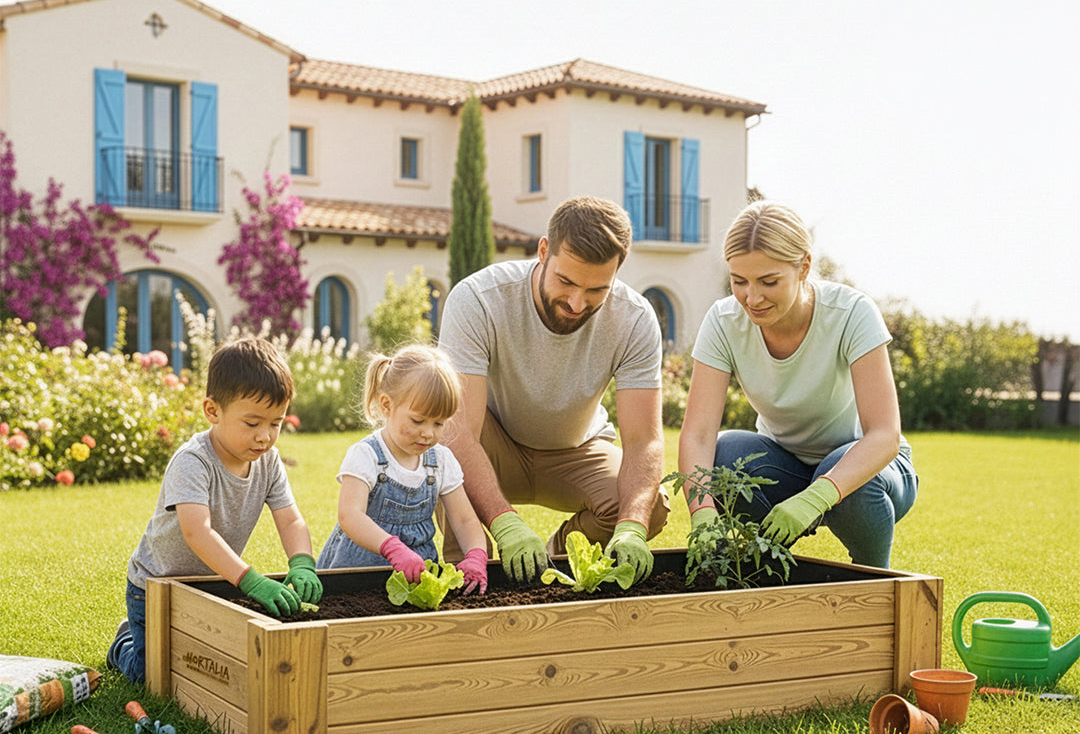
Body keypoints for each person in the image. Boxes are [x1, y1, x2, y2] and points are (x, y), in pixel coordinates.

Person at [436, 195, 669, 584]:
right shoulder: (479, 299)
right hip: (492, 445)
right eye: (566, 281)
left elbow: (645, 440)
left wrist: (631, 525)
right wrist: (505, 522)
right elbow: (459, 434)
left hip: (575, 449)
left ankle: (553, 559)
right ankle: (470, 576)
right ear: (543, 251)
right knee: (441, 448)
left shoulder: (634, 319)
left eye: (597, 289)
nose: (577, 303)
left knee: (649, 507)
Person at [678, 200, 918, 568]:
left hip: (871, 471)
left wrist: (817, 496)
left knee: (849, 474)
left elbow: (884, 434)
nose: (751, 298)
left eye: (769, 281)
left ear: (804, 266)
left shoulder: (851, 313)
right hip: (785, 465)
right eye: (738, 281)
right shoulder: (724, 321)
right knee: (727, 456)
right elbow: (697, 435)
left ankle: (875, 583)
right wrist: (702, 511)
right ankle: (770, 574)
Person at [106, 337, 322, 684]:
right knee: (154, 675)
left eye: (275, 423)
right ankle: (125, 643)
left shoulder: (268, 462)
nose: (265, 436)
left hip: (211, 583)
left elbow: (290, 517)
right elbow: (197, 532)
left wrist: (302, 563)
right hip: (154, 586)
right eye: (252, 423)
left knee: (204, 667)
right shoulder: (194, 462)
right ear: (212, 411)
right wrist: (252, 582)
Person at [316, 345, 489, 595]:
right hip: (354, 580)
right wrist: (391, 548)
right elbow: (350, 515)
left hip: (415, 582)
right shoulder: (367, 455)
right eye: (418, 421)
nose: (428, 433)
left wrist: (476, 554)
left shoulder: (440, 460)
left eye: (439, 423)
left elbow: (464, 520)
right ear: (387, 406)